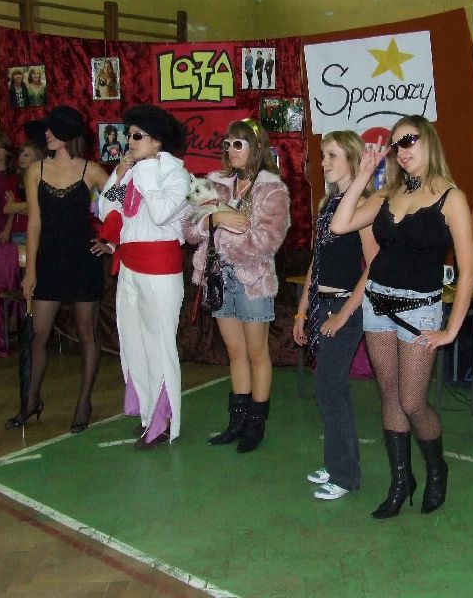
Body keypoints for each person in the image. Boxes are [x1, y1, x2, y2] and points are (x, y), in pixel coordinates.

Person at [329, 114, 473, 518]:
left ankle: (436, 468)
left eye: (409, 140)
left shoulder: (451, 198)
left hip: (420, 310)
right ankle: (400, 480)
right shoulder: (387, 193)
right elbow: (341, 224)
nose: (402, 150)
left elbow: (468, 270)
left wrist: (451, 329)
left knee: (412, 401)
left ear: (428, 140)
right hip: (377, 304)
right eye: (396, 145)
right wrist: (365, 172)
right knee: (390, 396)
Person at [186, 118, 290, 453]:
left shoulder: (272, 189)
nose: (231, 150)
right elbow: (188, 230)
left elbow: (267, 241)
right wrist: (216, 218)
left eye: (238, 144)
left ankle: (255, 424)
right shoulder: (214, 183)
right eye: (227, 143)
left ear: (257, 147)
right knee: (234, 352)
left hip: (253, 281)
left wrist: (221, 234)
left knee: (257, 353)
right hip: (219, 278)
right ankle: (236, 422)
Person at [7, 106, 109, 433]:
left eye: (52, 129)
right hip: (49, 261)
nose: (47, 135)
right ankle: (30, 401)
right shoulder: (36, 170)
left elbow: (123, 207)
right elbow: (34, 223)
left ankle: (83, 403)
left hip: (83, 260)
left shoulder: (92, 170)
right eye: (47, 130)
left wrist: (110, 243)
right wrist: (30, 271)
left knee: (86, 334)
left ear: (68, 133)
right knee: (38, 335)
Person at [94, 105, 190, 449]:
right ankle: (150, 414)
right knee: (133, 342)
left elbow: (162, 213)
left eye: (137, 136)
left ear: (157, 141)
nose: (129, 141)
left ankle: (166, 422)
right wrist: (119, 176)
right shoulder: (132, 173)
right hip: (129, 267)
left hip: (160, 268)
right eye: (128, 135)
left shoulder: (176, 175)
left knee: (160, 344)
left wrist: (146, 171)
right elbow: (107, 210)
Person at [293, 131, 377, 500]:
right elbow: (318, 260)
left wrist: (343, 315)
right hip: (321, 305)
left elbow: (373, 267)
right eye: (323, 155)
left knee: (330, 388)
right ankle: (337, 463)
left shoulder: (365, 207)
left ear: (353, 161)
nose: (324, 162)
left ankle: (345, 476)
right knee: (329, 389)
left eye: (332, 155)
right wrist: (302, 310)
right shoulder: (328, 203)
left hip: (344, 307)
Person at [3, 140, 43, 244]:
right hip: (19, 231)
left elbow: (43, 210)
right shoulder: (14, 179)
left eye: (26, 155)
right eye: (20, 154)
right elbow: (6, 208)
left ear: (36, 158)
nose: (21, 158)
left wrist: (15, 206)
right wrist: (31, 204)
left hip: (40, 231)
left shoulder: (43, 180)